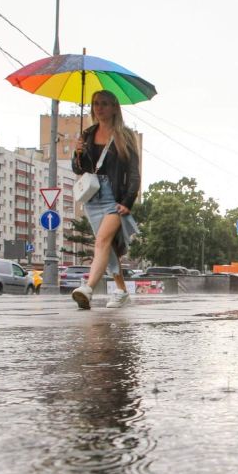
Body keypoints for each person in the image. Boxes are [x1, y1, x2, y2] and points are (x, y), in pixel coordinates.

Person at [70, 90, 141, 310]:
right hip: (92, 197)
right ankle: (121, 291)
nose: (99, 108)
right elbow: (78, 169)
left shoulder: (125, 136)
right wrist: (78, 153)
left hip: (113, 198)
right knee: (106, 247)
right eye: (95, 103)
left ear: (114, 108)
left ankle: (88, 289)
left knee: (101, 240)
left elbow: (134, 173)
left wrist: (127, 202)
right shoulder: (88, 134)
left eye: (104, 103)